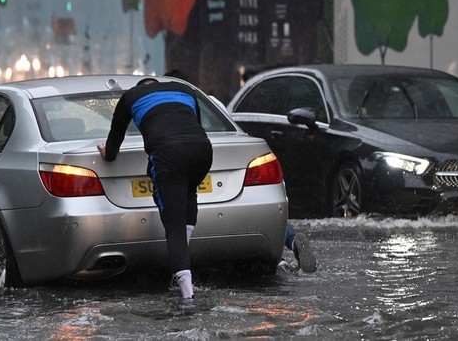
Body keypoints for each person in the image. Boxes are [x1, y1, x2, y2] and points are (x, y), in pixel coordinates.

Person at [163, 69, 317, 273]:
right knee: (252, 221)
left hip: (181, 166)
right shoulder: (210, 102)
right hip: (220, 161)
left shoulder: (160, 109)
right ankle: (285, 246)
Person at [98, 77, 213, 300]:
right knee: (189, 194)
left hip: (168, 155)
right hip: (202, 150)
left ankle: (187, 296)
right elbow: (195, 123)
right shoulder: (184, 89)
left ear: (140, 88)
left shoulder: (130, 96)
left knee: (173, 225)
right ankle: (182, 265)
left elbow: (115, 139)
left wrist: (107, 154)